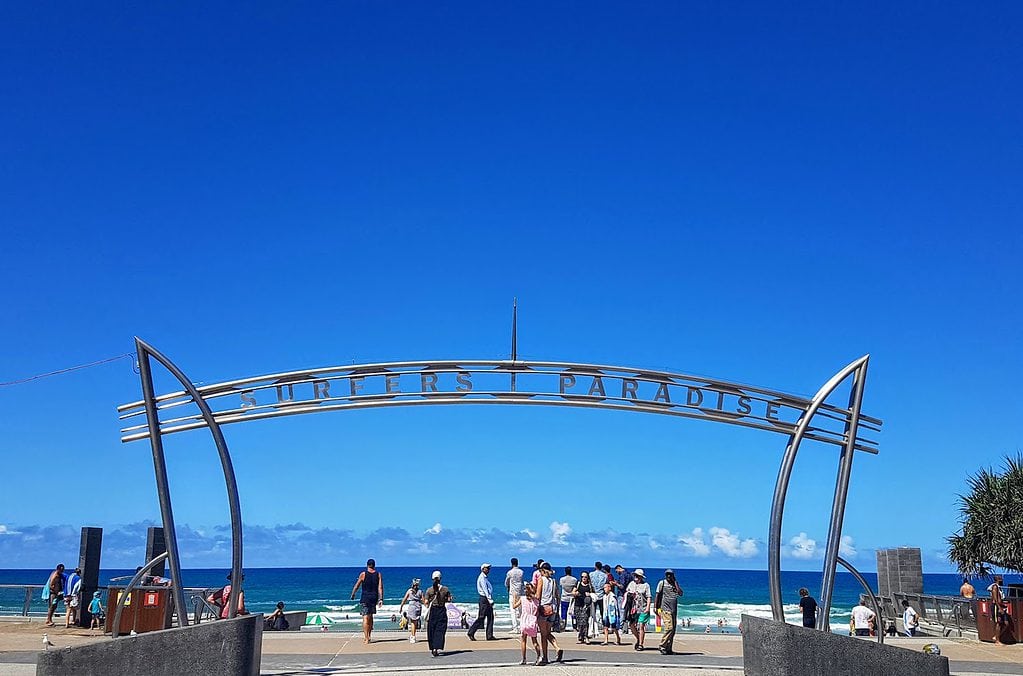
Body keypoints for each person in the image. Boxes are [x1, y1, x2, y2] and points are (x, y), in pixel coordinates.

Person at [535, 562, 564, 665]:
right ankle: (557, 647)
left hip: (543, 609)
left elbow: (538, 596)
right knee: (547, 632)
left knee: (543, 635)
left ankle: (545, 657)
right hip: (552, 609)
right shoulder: (553, 581)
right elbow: (557, 596)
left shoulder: (541, 580)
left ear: (542, 571)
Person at [350, 558, 384, 644]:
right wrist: (380, 599)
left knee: (365, 617)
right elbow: (380, 587)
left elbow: (357, 585)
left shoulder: (363, 574)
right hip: (374, 598)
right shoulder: (378, 574)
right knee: (371, 617)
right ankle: (369, 636)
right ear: (374, 565)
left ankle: (366, 638)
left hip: (365, 598)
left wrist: (353, 594)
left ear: (367, 565)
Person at [425, 570, 452, 657]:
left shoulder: (429, 590)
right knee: (440, 630)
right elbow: (448, 599)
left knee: (431, 629)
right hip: (441, 610)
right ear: (440, 579)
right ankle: (437, 647)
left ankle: (432, 647)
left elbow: (426, 602)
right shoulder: (445, 589)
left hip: (433, 610)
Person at [655, 569, 682, 655]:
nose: (669, 576)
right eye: (667, 575)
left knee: (673, 630)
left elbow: (680, 593)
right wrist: (656, 607)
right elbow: (657, 595)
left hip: (674, 610)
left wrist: (676, 584)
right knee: (669, 628)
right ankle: (662, 645)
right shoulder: (662, 583)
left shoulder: (675, 584)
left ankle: (668, 648)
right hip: (665, 609)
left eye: (670, 575)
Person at [467, 562, 495, 640]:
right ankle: (471, 632)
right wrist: (490, 600)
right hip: (484, 599)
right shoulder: (482, 578)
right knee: (481, 617)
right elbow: (485, 590)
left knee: (490, 617)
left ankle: (489, 635)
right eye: (487, 568)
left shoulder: (485, 578)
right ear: (483, 569)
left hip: (486, 599)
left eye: (489, 568)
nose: (488, 570)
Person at [515, 581, 541, 665]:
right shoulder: (536, 601)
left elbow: (514, 606)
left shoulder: (522, 599)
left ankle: (524, 659)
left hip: (524, 620)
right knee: (534, 641)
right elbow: (537, 612)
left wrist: (515, 598)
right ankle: (539, 656)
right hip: (532, 621)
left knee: (523, 640)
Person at [627, 569, 652, 650]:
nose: (636, 577)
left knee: (641, 625)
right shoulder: (631, 584)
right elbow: (627, 593)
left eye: (637, 576)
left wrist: (648, 607)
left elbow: (648, 597)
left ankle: (641, 644)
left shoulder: (646, 585)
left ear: (641, 577)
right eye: (635, 575)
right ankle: (638, 639)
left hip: (643, 607)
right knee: (631, 625)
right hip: (634, 608)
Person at [398, 578, 424, 643]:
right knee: (415, 622)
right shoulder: (420, 591)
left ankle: (413, 636)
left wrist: (401, 607)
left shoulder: (409, 591)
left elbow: (404, 599)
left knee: (413, 622)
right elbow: (424, 600)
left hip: (412, 606)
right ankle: (413, 635)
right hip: (418, 605)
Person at [572, 571, 595, 644]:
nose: (583, 578)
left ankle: (586, 637)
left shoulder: (590, 586)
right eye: (582, 577)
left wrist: (589, 594)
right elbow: (573, 592)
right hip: (578, 605)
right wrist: (576, 594)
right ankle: (581, 636)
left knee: (585, 621)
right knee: (579, 622)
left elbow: (594, 594)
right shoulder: (578, 584)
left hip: (586, 606)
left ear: (588, 578)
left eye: (585, 577)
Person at [506, 557, 524, 634]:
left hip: (513, 593)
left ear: (511, 563)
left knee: (513, 611)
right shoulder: (521, 572)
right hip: (520, 593)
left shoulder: (510, 572)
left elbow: (506, 582)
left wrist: (508, 586)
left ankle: (515, 628)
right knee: (521, 611)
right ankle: (522, 627)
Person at [989, 575, 1008, 645]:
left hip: (1000, 606)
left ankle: (997, 636)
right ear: (998, 580)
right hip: (996, 607)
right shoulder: (995, 587)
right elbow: (995, 598)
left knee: (1006, 623)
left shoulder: (999, 588)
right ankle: (997, 640)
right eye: (1001, 579)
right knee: (998, 622)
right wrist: (999, 607)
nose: (1002, 581)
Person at [591, 561, 608, 636]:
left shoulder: (591, 574)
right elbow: (605, 585)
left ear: (595, 566)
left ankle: (593, 628)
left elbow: (590, 584)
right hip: (601, 596)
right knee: (603, 613)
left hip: (594, 596)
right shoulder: (605, 575)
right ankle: (605, 628)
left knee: (592, 613)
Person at [559, 566, 577, 630]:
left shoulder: (562, 579)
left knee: (564, 613)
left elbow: (561, 586)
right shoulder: (574, 580)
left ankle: (563, 627)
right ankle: (574, 626)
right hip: (572, 598)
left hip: (564, 598)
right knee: (573, 613)